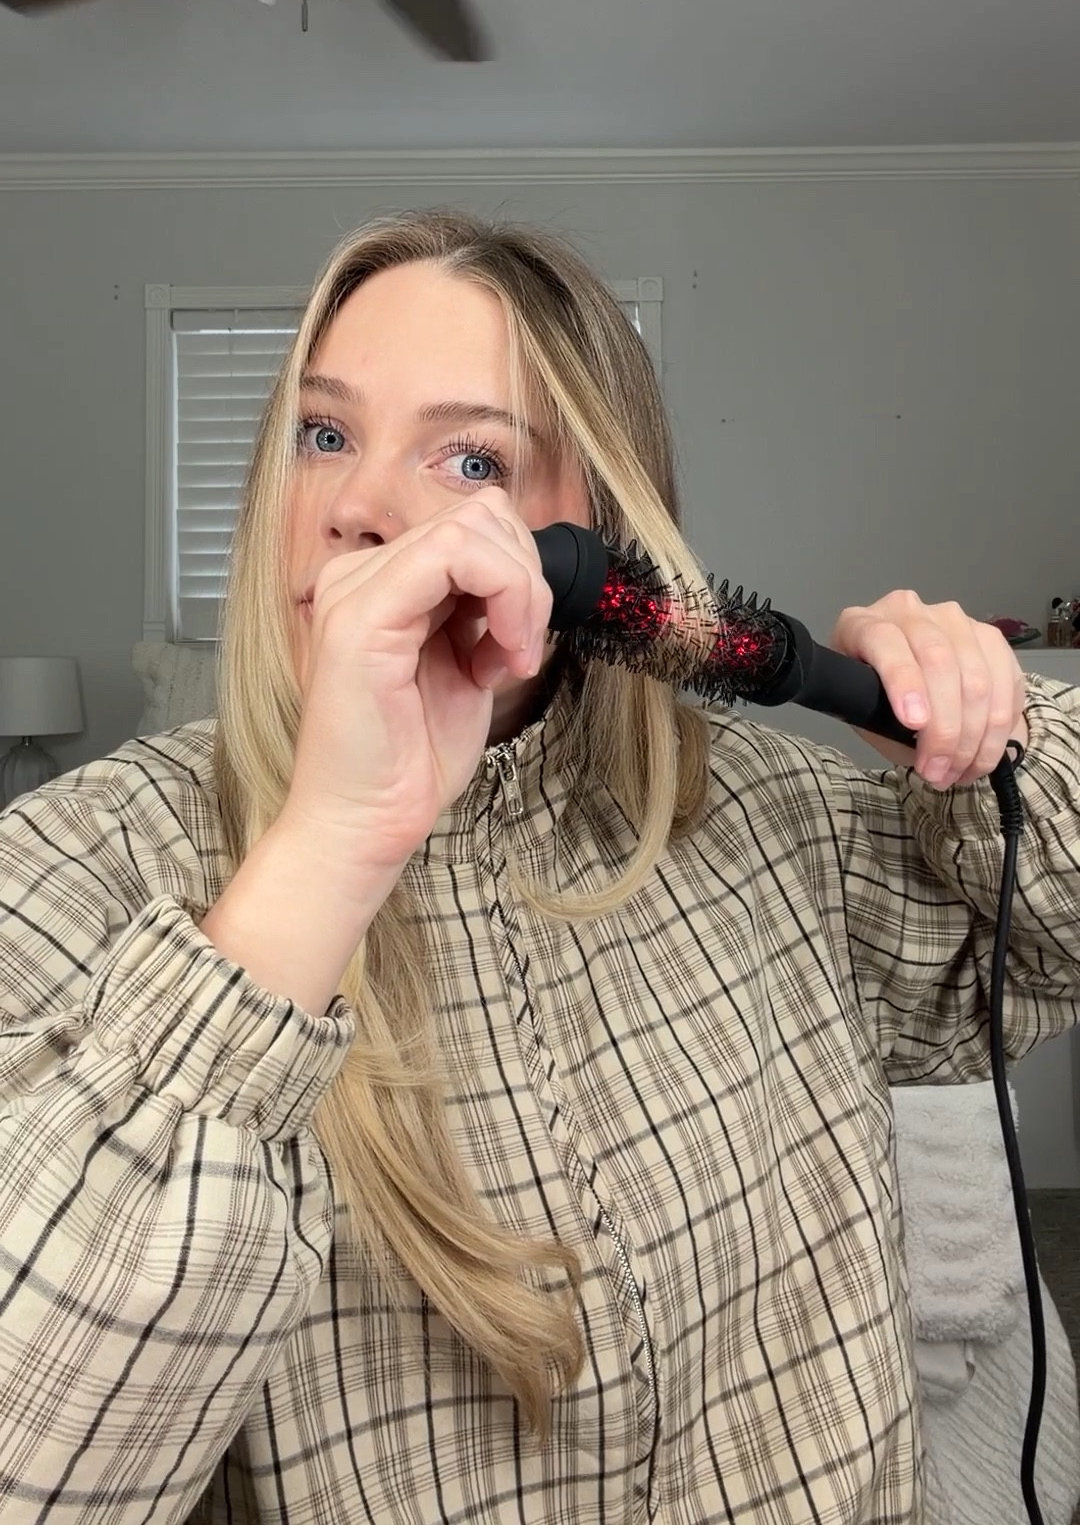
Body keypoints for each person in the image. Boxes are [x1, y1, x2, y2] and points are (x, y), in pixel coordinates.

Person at [1, 210, 1078, 1525]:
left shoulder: (779, 817)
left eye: (472, 459)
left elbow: (1046, 949)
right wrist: (329, 846)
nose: (353, 508)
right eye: (323, 435)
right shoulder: (79, 864)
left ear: (598, 549)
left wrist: (990, 726)